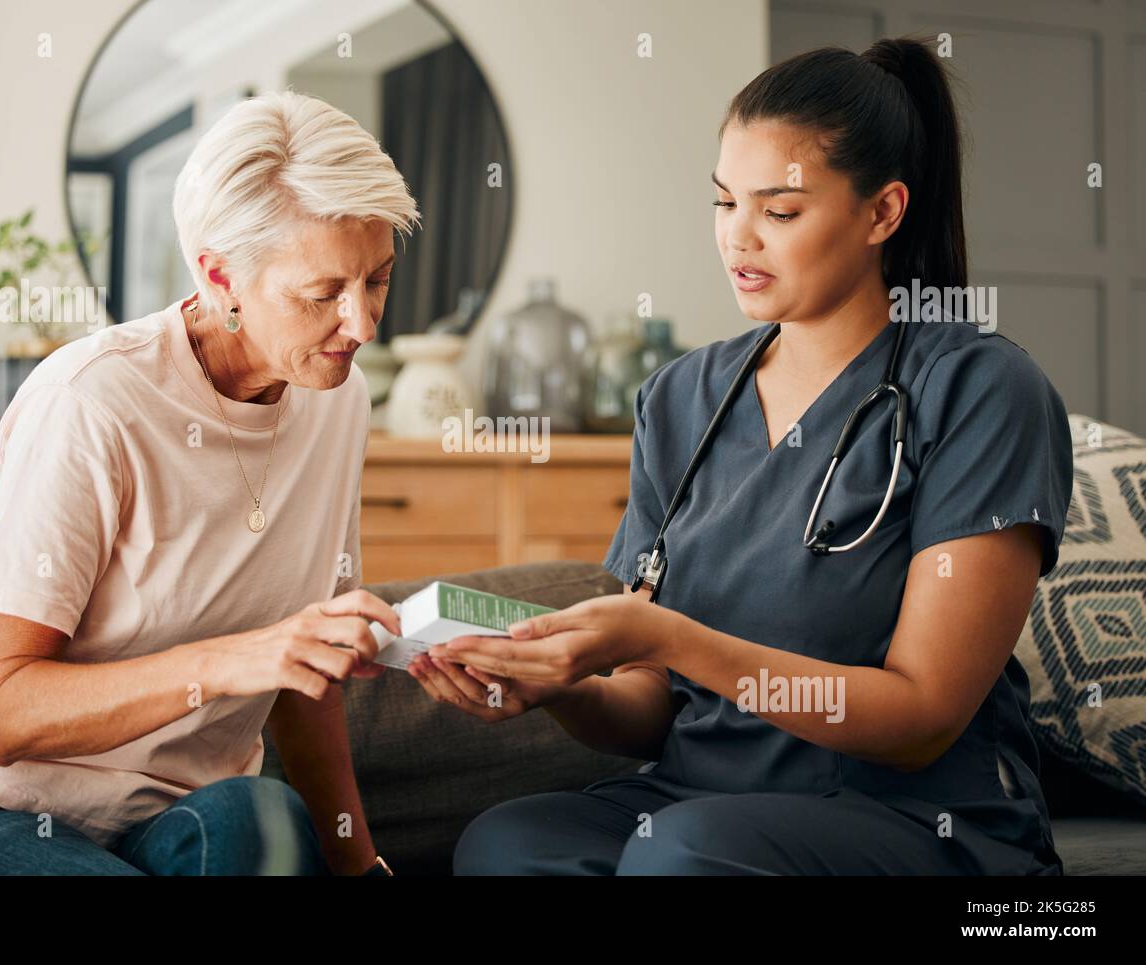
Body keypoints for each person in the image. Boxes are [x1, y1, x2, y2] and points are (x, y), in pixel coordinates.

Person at [410, 38, 1074, 875]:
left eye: (780, 211)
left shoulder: (979, 389)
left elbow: (924, 716)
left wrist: (679, 639)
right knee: (508, 843)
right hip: (702, 801)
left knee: (686, 855)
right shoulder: (681, 398)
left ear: (883, 212)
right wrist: (561, 687)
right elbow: (651, 709)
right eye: (724, 203)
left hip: (909, 812)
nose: (739, 238)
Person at [0, 91, 419, 876]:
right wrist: (234, 659)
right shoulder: (90, 401)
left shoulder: (337, 397)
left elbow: (302, 671)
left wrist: (360, 863)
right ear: (221, 276)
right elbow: (3, 714)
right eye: (322, 295)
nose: (363, 324)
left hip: (167, 824)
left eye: (379, 279)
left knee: (264, 818)